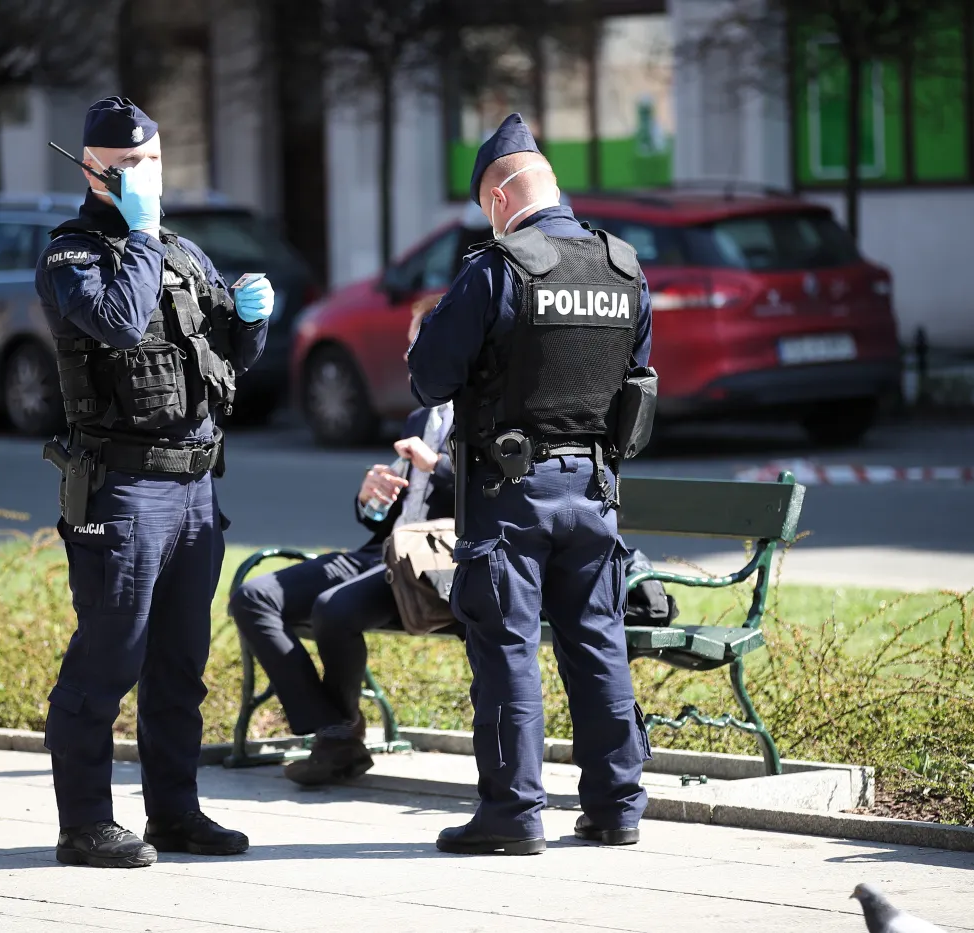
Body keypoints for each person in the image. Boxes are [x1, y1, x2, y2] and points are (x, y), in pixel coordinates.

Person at [35, 96, 273, 868]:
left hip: (195, 490)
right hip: (124, 491)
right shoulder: (73, 255)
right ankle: (85, 825)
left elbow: (225, 360)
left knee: (179, 665)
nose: (148, 176)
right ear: (93, 170)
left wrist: (252, 317)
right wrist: (136, 230)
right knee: (108, 655)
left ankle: (175, 813)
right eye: (130, 166)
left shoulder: (180, 250)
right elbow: (116, 320)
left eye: (155, 163)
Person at [407, 113, 653, 856]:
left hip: (512, 496)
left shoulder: (498, 268)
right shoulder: (623, 265)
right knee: (598, 640)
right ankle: (617, 806)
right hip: (594, 487)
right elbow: (638, 380)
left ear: (502, 194)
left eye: (488, 203)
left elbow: (430, 376)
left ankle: (513, 813)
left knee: (508, 644)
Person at [230, 300, 455, 786]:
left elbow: (498, 495)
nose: (409, 356)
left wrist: (436, 467)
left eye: (419, 345)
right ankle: (335, 727)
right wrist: (371, 497)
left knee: (333, 607)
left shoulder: (485, 416)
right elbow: (388, 511)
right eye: (409, 345)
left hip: (434, 563)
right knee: (254, 597)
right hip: (382, 551)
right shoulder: (420, 419)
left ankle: (336, 745)